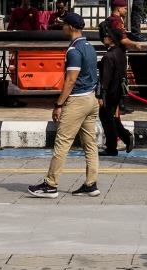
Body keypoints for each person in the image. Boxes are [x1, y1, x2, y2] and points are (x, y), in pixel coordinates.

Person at [27, 13, 101, 198]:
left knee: (62, 143)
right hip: (91, 99)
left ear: (70, 27)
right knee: (90, 144)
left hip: (77, 101)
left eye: (63, 25)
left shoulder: (74, 50)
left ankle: (50, 185)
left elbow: (70, 80)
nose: (61, 28)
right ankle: (91, 184)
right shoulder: (90, 47)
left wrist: (58, 104)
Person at [98, 27, 134, 157]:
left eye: (106, 36)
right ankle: (125, 136)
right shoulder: (119, 52)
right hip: (117, 91)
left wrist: (101, 94)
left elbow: (105, 78)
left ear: (111, 39)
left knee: (106, 118)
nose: (104, 38)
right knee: (111, 117)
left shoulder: (108, 56)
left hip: (109, 93)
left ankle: (112, 146)